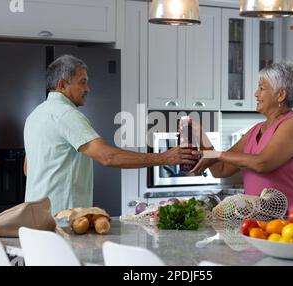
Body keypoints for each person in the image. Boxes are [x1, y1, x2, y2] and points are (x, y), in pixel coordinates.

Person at [24, 55, 196, 214]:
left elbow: (27, 169)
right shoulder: (67, 114)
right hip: (63, 220)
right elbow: (108, 157)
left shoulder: (35, 116)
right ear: (62, 85)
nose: (88, 89)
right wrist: (165, 158)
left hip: (36, 219)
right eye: (82, 82)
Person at [191, 61, 293, 215]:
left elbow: (262, 163)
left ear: (281, 94)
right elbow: (220, 169)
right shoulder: (256, 130)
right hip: (261, 222)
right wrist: (200, 134)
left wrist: (216, 153)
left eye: (262, 88)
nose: (256, 93)